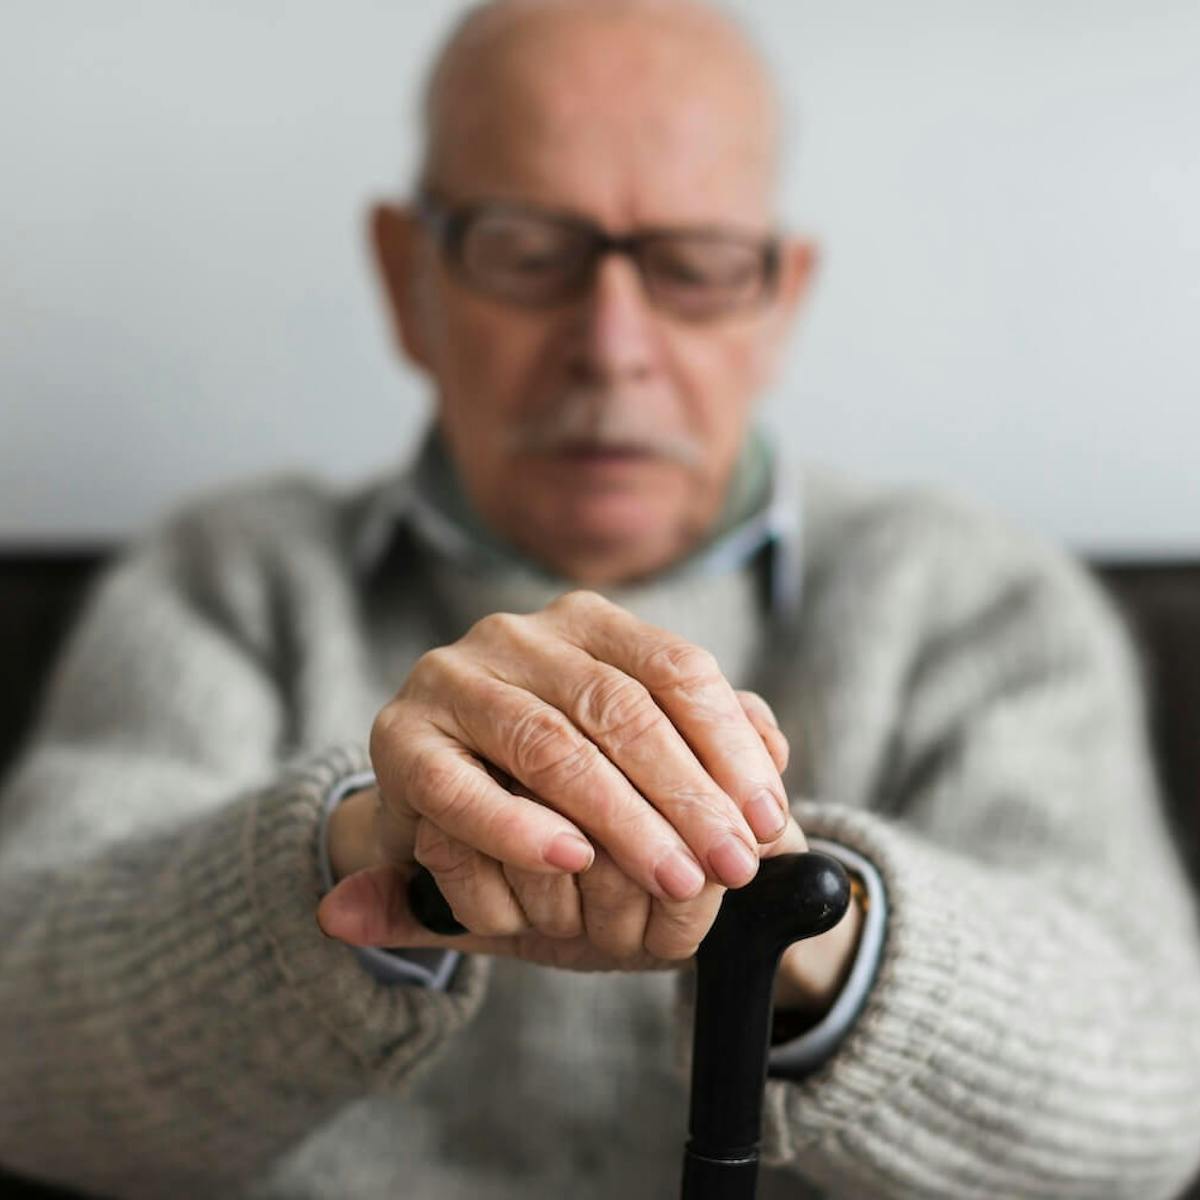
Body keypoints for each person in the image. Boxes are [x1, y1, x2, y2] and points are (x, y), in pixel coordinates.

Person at [2, 0, 1199, 1196]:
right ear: (406, 275)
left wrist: (788, 902)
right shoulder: (229, 581)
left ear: (779, 298)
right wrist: (368, 844)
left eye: (695, 265)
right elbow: (23, 1058)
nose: (612, 344)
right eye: (528, 251)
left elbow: (1148, 1106)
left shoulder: (977, 602)